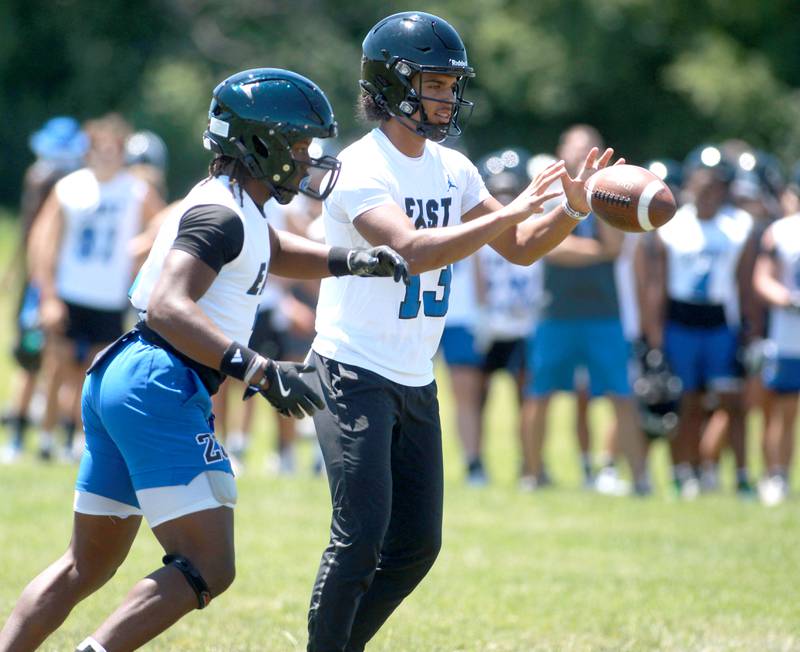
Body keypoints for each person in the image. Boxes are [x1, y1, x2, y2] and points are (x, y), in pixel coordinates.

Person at [0, 67, 409, 652]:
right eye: (298, 145)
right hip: (159, 381)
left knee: (82, 566)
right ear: (259, 143)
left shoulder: (232, 203)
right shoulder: (222, 213)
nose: (308, 158)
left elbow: (270, 248)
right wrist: (258, 369)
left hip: (126, 373)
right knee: (209, 565)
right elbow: (169, 305)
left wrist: (353, 261)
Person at [305, 12, 622, 651]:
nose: (448, 97)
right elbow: (411, 250)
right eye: (435, 84)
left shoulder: (455, 169)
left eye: (453, 85)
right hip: (350, 369)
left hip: (415, 376)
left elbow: (523, 247)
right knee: (361, 534)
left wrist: (572, 207)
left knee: (418, 544)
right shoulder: (359, 167)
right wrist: (515, 208)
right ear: (393, 86)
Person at [519, 124, 649, 495]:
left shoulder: (611, 193)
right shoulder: (546, 190)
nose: (582, 155)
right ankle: (532, 474)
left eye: (590, 148)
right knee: (539, 394)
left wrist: (596, 198)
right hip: (554, 312)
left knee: (620, 395)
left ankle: (640, 478)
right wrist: (590, 252)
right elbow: (543, 248)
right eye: (576, 148)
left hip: (603, 314)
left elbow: (615, 246)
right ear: (562, 151)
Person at [644, 145, 754, 498]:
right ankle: (683, 472)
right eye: (702, 183)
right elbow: (657, 285)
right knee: (685, 403)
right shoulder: (670, 223)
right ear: (689, 183)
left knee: (731, 403)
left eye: (717, 185)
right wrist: (655, 337)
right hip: (681, 321)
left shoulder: (738, 225)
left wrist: (752, 332)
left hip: (721, 322)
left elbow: (744, 283)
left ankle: (739, 476)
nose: (709, 191)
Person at [1, 117, 88, 462]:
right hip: (49, 284)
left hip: (42, 283)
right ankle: (45, 435)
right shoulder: (63, 182)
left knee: (44, 361)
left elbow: (29, 237)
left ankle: (28, 436)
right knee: (50, 362)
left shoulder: (46, 178)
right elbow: (36, 237)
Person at [752, 172, 800, 505]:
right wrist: (790, 300)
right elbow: (763, 279)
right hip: (789, 334)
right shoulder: (780, 232)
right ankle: (776, 475)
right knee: (783, 409)